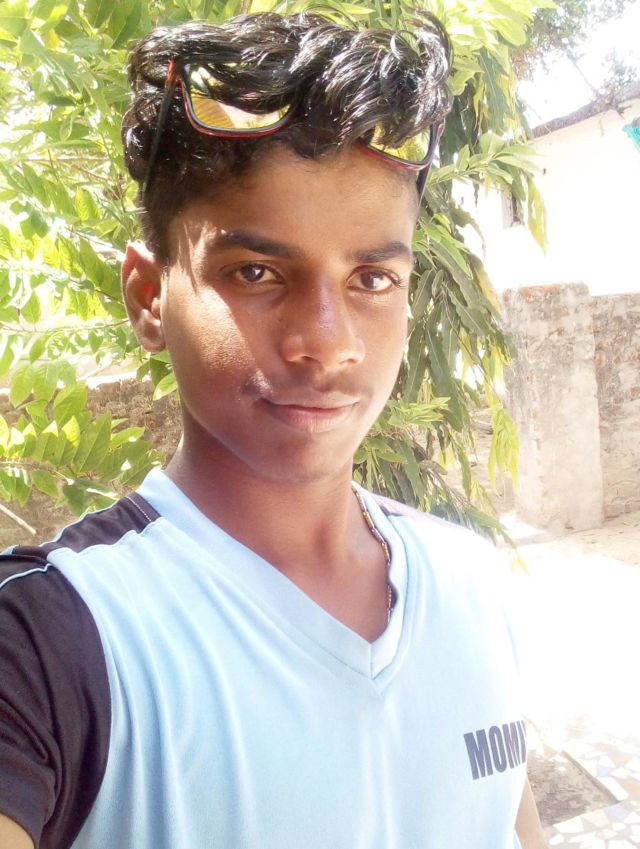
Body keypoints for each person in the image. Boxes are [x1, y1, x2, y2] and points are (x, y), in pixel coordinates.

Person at [0, 11, 547, 849]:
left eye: (372, 278)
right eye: (256, 272)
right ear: (149, 297)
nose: (327, 342)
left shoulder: (470, 583)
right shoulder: (51, 644)